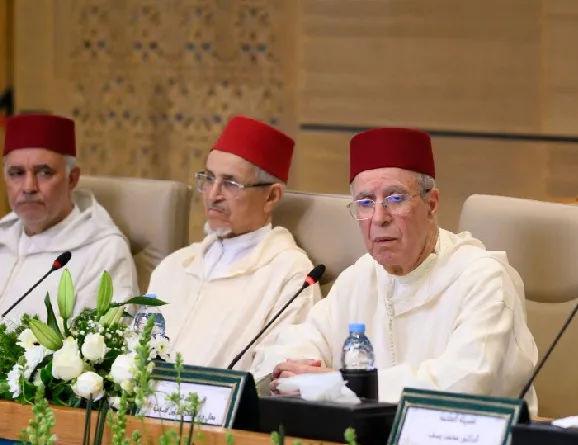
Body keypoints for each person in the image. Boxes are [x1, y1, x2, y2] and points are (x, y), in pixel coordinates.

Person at [253, 127, 539, 411]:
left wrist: (340, 384)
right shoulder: (361, 276)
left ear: (431, 205)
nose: (379, 217)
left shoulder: (483, 279)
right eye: (365, 202)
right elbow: (300, 342)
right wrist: (293, 371)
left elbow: (464, 383)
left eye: (395, 198)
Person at [147, 116, 319, 370]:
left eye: (230, 183)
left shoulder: (290, 276)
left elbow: (275, 376)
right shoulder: (174, 265)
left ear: (271, 197)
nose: (212, 195)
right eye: (209, 178)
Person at [0, 114, 137, 320]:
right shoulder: (3, 237)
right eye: (17, 173)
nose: (28, 187)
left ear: (72, 179)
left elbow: (100, 337)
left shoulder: (103, 251)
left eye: (44, 172)